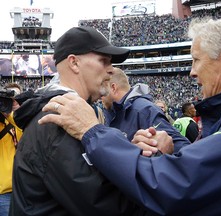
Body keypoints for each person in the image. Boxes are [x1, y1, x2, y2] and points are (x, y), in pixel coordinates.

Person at [39, 12, 221, 215]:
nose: (191, 72)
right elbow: (212, 170)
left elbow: (177, 185)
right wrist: (173, 152)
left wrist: (92, 132)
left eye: (196, 60)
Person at [9, 26, 152, 216]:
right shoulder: (57, 121)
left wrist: (126, 154)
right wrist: (152, 164)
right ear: (74, 63)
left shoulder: (68, 113)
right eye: (104, 61)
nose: (111, 70)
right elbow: (108, 206)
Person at [99, 67, 190, 154]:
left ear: (113, 88)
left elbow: (182, 147)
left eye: (102, 90)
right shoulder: (112, 112)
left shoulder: (144, 110)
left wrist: (147, 156)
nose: (100, 96)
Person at [0, 83, 23, 216]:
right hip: (3, 192)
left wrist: (12, 112)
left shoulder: (21, 121)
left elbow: (26, 131)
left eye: (16, 98)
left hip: (21, 188)